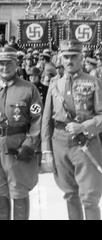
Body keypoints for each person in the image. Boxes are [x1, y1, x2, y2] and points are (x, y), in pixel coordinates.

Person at [0, 45, 42, 220]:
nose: (4, 67)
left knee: (19, 190)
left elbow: (38, 119)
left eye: (8, 63)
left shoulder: (29, 90)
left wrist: (30, 144)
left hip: (17, 145)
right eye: (1, 63)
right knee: (0, 190)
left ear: (16, 64)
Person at [41, 40, 102, 220]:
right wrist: (46, 149)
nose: (69, 61)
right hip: (59, 142)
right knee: (69, 194)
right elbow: (46, 119)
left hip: (86, 143)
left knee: (89, 197)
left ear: (81, 57)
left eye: (73, 56)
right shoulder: (54, 84)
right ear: (60, 58)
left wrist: (83, 126)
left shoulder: (94, 82)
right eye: (66, 57)